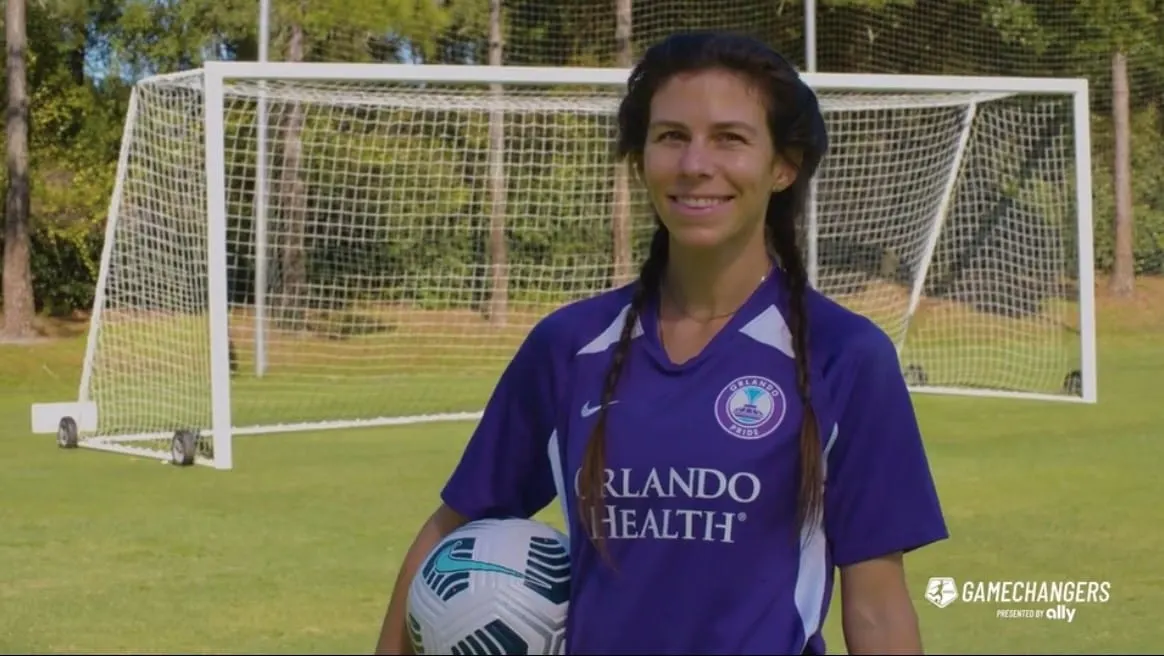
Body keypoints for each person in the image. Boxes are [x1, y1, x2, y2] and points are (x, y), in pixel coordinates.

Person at [374, 30, 948, 656]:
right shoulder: (569, 347)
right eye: (671, 136)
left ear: (783, 165)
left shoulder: (845, 355)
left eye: (730, 138)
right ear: (642, 156)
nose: (695, 164)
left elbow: (877, 606)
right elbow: (448, 531)